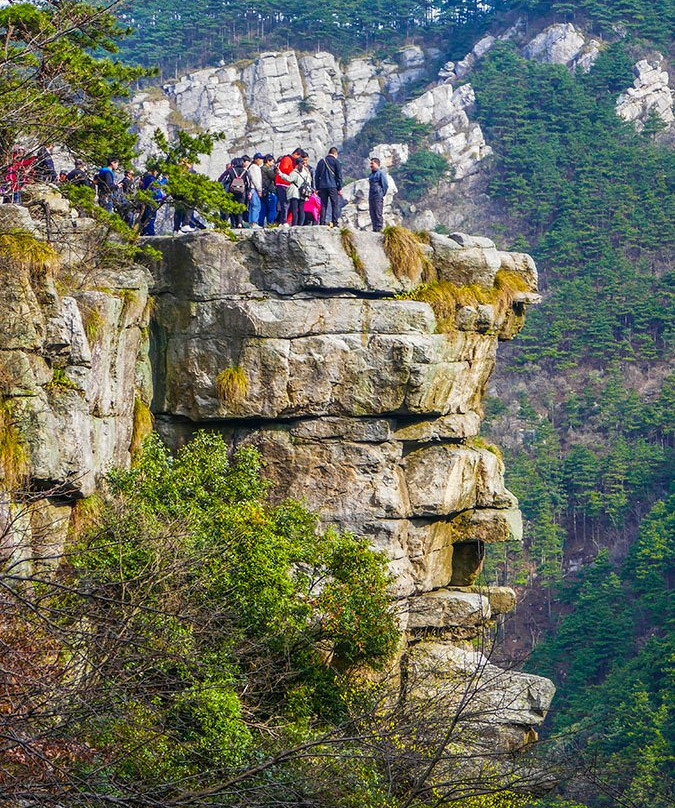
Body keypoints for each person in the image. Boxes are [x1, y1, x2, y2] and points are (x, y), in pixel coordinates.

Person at [278, 156, 312, 226]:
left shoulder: (295, 172)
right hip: (303, 193)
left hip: (295, 193)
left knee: (294, 210)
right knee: (301, 209)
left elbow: (289, 179)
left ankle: (294, 224)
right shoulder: (306, 172)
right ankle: (300, 224)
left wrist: (280, 174)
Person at [314, 146, 342, 227]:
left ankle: (322, 222)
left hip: (322, 186)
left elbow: (317, 176)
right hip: (333, 186)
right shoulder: (336, 162)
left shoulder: (321, 162)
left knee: (323, 204)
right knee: (334, 204)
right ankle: (335, 222)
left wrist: (317, 187)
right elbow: (339, 176)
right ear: (335, 154)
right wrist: (339, 188)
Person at [275, 147, 302, 224]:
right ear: (296, 154)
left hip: (287, 184)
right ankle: (283, 222)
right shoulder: (287, 159)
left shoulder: (292, 160)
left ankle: (285, 221)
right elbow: (284, 168)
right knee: (284, 203)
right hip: (282, 183)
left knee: (288, 204)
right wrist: (294, 173)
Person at [221, 157, 249, 228]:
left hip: (231, 191)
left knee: (229, 207)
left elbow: (222, 179)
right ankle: (239, 223)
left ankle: (227, 222)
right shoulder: (245, 171)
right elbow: (248, 182)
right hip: (241, 192)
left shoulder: (230, 170)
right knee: (240, 207)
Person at [367, 156, 389, 232]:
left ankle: (379, 228)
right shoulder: (371, 175)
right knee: (372, 212)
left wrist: (381, 194)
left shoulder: (381, 173)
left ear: (376, 164)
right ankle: (374, 228)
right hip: (371, 196)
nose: (370, 165)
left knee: (378, 212)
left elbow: (385, 185)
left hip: (378, 196)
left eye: (372, 163)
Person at [259, 154, 277, 226]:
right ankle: (270, 224)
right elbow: (274, 177)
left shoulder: (260, 169)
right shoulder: (267, 169)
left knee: (263, 210)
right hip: (269, 191)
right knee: (271, 209)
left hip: (263, 191)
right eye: (272, 162)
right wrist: (276, 170)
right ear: (268, 161)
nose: (273, 164)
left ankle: (260, 224)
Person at [247, 153, 263, 228]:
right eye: (260, 159)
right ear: (256, 159)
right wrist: (259, 189)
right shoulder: (254, 167)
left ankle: (252, 222)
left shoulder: (255, 167)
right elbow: (255, 179)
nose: (261, 161)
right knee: (255, 205)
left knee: (254, 205)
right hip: (254, 188)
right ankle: (253, 222)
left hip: (254, 188)